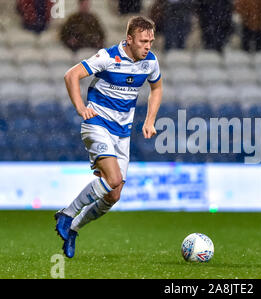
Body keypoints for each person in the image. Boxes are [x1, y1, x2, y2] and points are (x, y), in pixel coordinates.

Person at [55, 16, 163, 258]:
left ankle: (73, 228)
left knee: (114, 195)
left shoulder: (150, 62)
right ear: (129, 39)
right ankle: (67, 213)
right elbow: (70, 75)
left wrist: (150, 120)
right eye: (143, 41)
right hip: (97, 123)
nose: (148, 46)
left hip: (122, 133)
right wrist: (81, 107)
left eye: (151, 41)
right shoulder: (108, 57)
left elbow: (156, 88)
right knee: (113, 179)